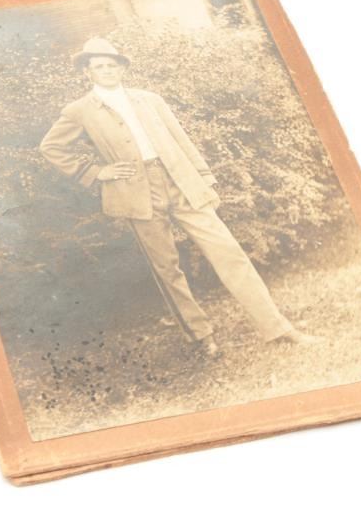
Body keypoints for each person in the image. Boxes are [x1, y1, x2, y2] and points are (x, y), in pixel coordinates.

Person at [39, 38, 317, 357]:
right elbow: (51, 147)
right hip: (136, 193)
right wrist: (95, 172)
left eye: (112, 65)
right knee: (167, 268)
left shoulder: (150, 100)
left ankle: (278, 328)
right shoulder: (79, 111)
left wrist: (204, 178)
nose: (107, 71)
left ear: (122, 68)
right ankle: (201, 336)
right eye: (99, 66)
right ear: (87, 72)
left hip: (180, 181)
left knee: (229, 252)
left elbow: (180, 139)